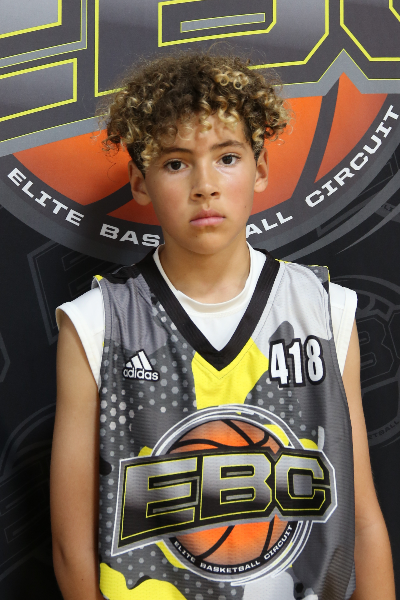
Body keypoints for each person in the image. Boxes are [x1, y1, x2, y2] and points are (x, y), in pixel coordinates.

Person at [50, 53, 395, 600]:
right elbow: (72, 551)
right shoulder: (95, 323)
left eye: (227, 157)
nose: (204, 185)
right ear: (140, 181)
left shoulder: (324, 310)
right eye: (175, 163)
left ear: (260, 169)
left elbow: (362, 517)